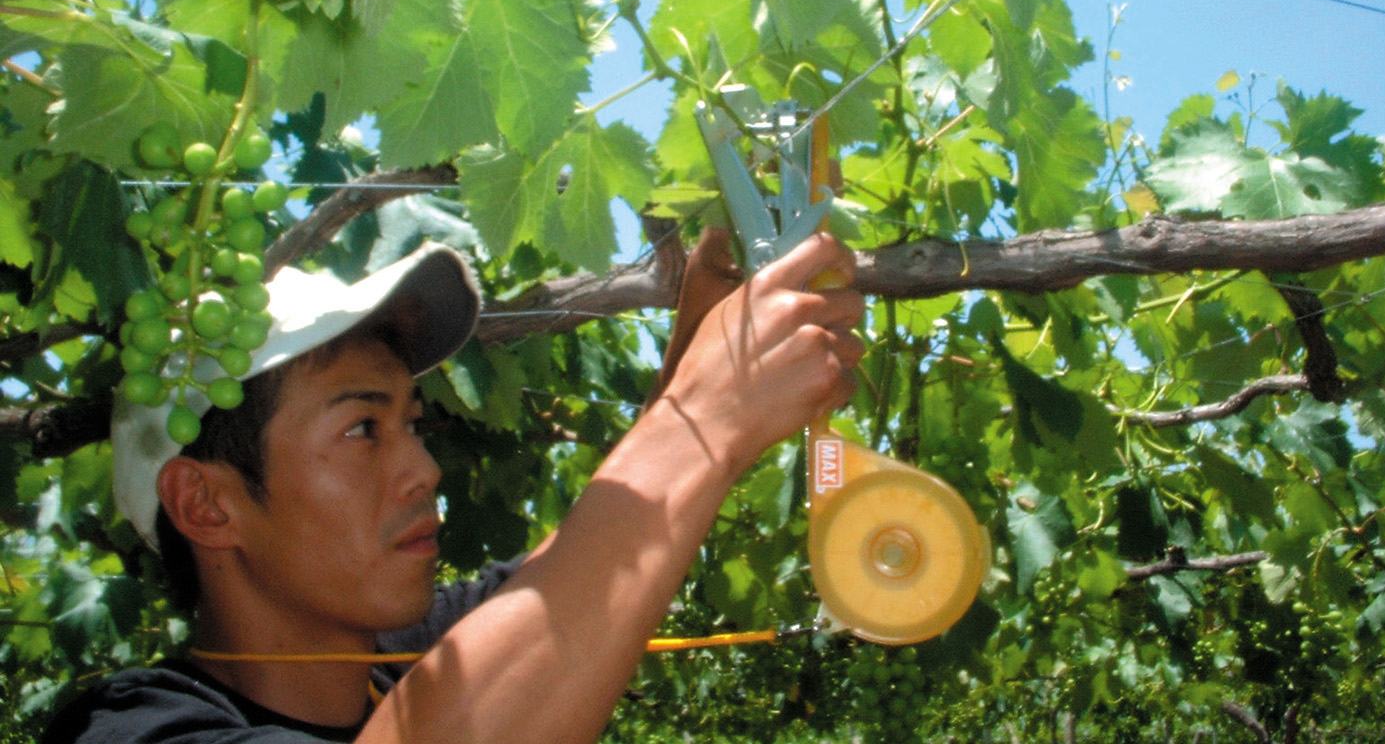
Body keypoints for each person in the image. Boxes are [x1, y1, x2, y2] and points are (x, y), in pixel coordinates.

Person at [44, 231, 864, 743]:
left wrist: (691, 368)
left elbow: (572, 577)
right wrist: (705, 421)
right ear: (206, 503)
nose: (424, 471)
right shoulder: (127, 729)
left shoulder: (410, 660)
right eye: (364, 429)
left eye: (413, 426)